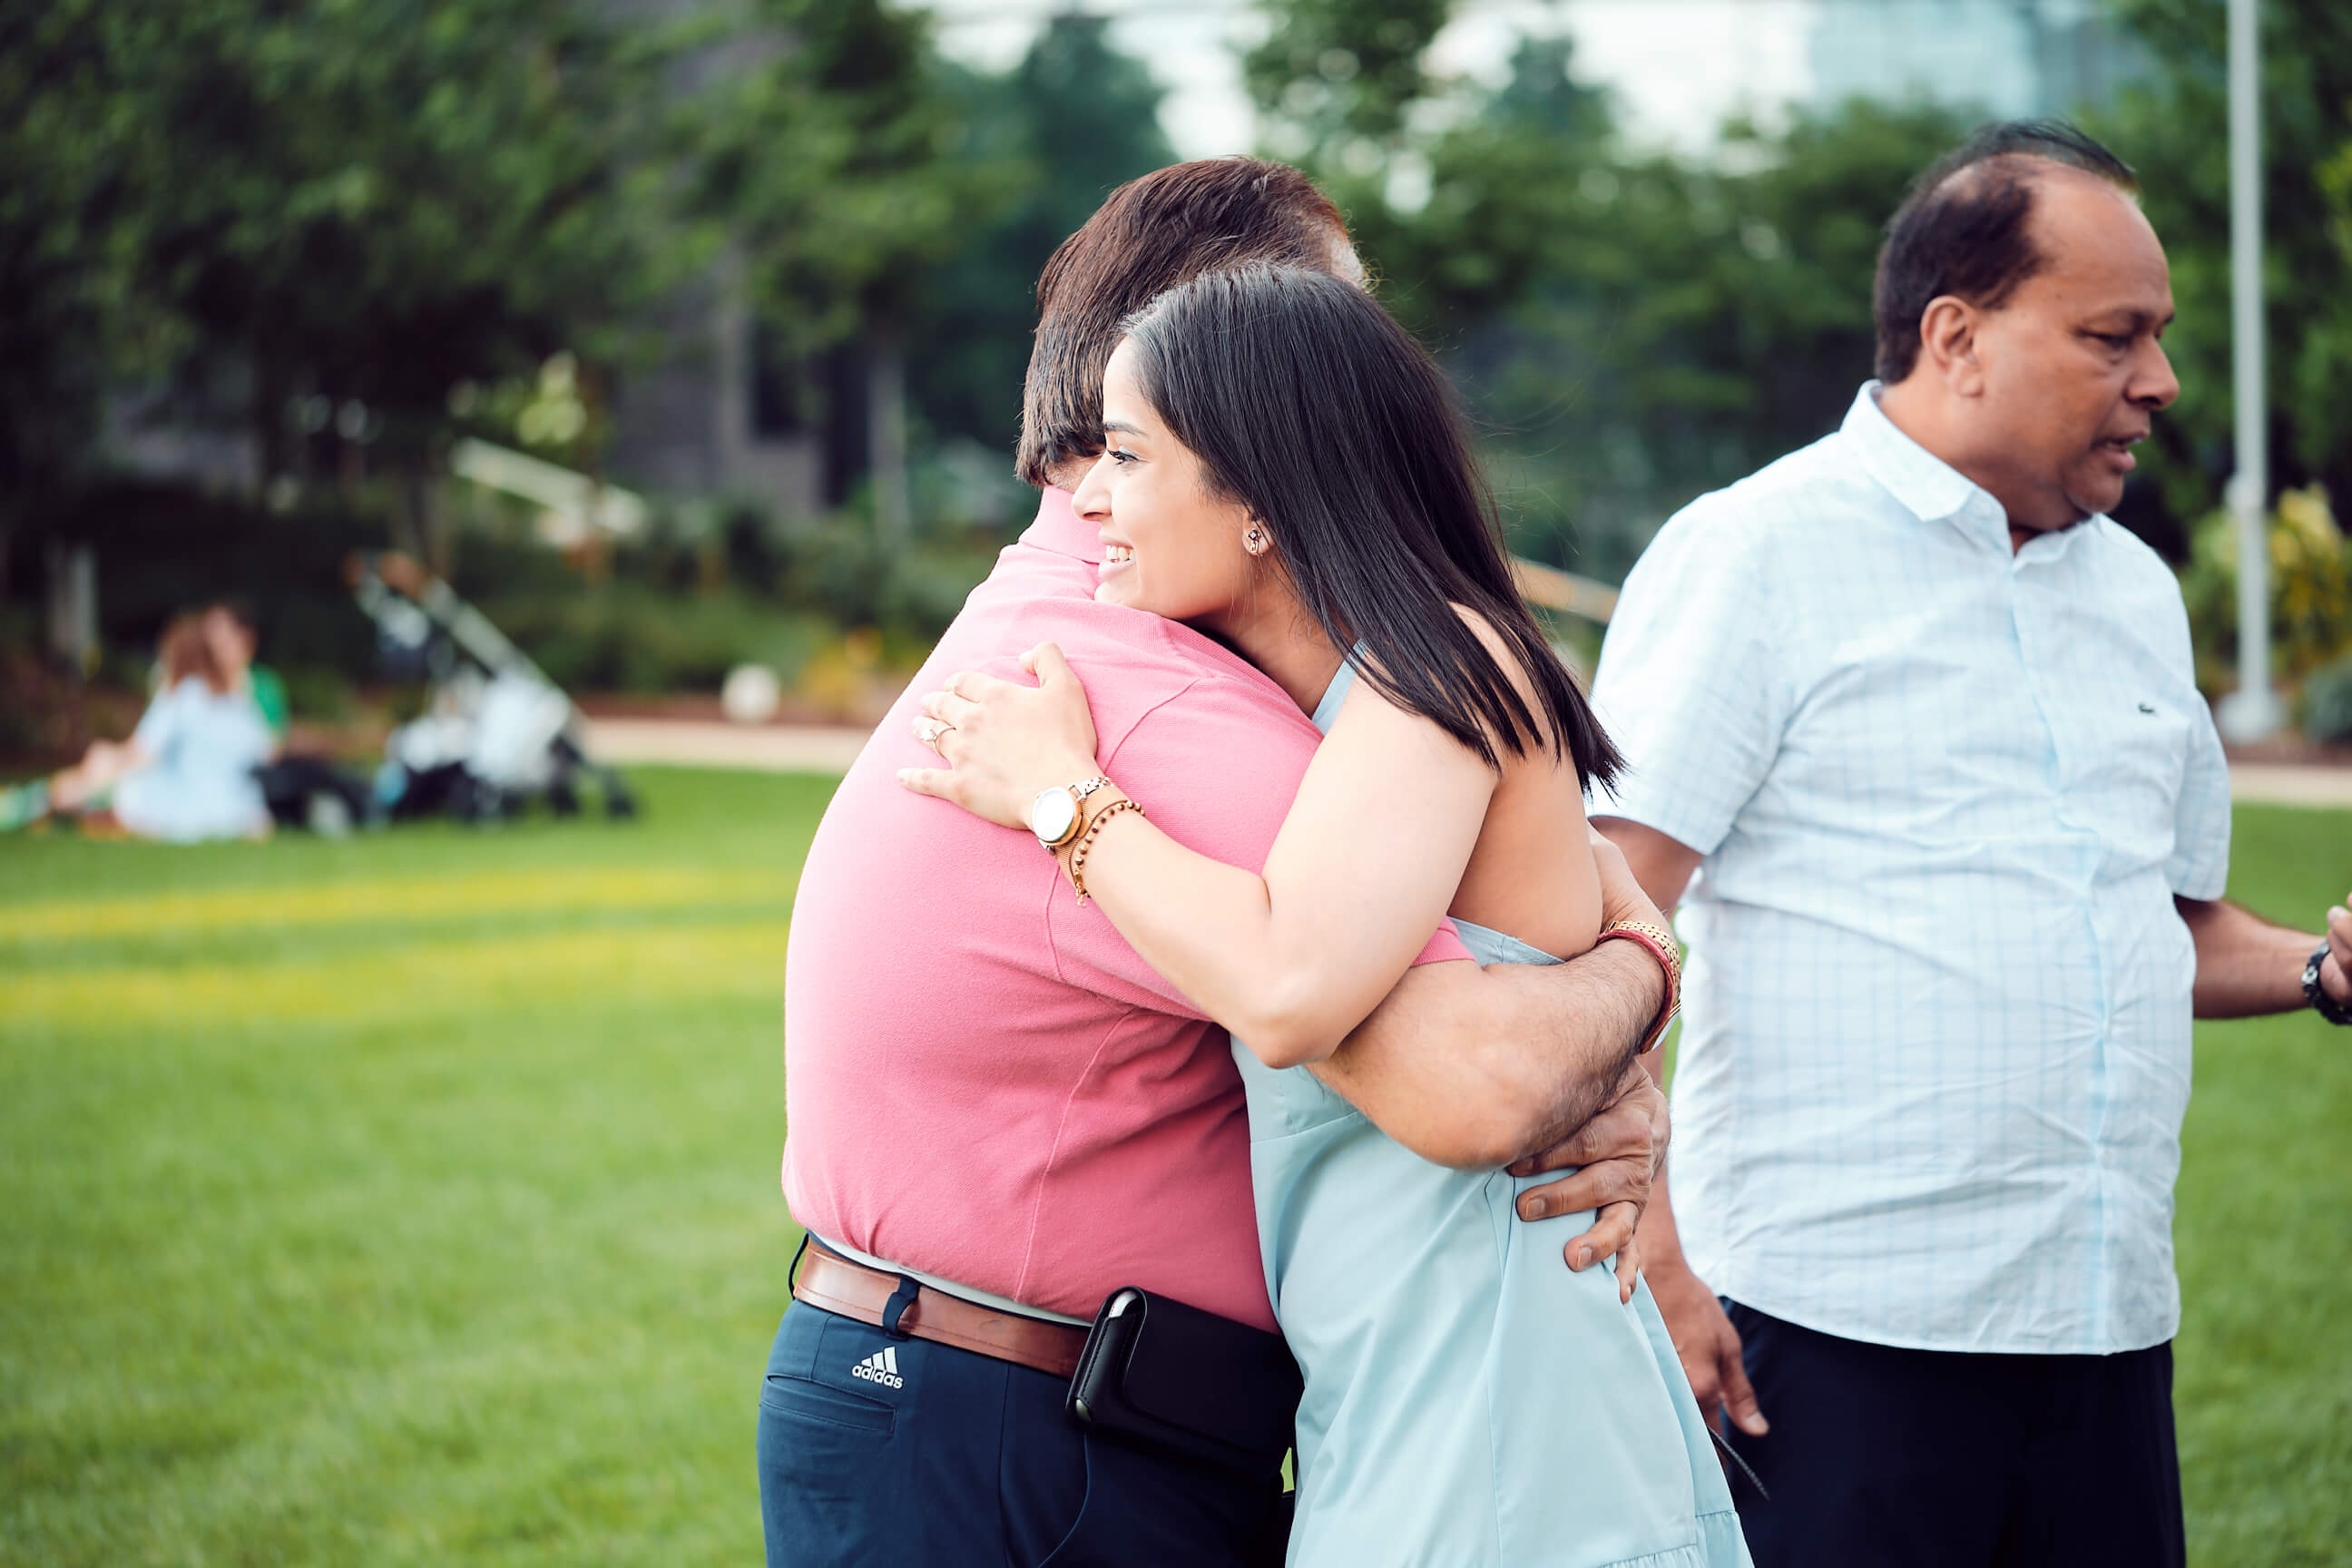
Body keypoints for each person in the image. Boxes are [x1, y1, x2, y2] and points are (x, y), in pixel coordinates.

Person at [766, 159, 1681, 1568]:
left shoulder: (1115, 645)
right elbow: (1475, 1079)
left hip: (975, 1399)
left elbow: (1495, 990)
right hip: (1024, 1434)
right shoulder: (1152, 696)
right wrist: (1640, 972)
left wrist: (1612, 1001)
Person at [1588, 120, 2352, 1568]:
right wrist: (1659, 1259)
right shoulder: (1755, 555)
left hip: (2107, 1331)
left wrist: (2321, 966)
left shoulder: (2136, 592)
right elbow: (1601, 915)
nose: (2161, 383)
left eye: (2160, 337)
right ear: (1958, 336)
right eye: (2113, 336)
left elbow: (2163, 923)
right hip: (1826, 1344)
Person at [3, 612, 274, 841]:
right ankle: (44, 805)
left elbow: (141, 754)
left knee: (104, 765)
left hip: (186, 813)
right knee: (108, 770)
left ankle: (28, 804)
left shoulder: (183, 696)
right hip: (243, 814)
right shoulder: (240, 704)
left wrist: (104, 757)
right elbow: (265, 754)